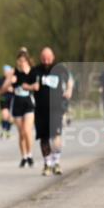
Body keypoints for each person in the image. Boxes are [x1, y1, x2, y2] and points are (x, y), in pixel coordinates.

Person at [33, 47, 72, 176]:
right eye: (44, 58)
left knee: (56, 136)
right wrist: (31, 86)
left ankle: (56, 162)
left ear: (53, 57)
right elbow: (25, 84)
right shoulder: (36, 70)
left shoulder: (60, 68)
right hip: (40, 109)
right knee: (44, 138)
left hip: (56, 108)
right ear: (41, 58)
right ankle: (47, 164)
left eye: (48, 58)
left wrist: (69, 90)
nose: (46, 61)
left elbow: (70, 80)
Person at [7, 49, 37, 167]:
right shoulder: (14, 72)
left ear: (27, 61)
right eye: (19, 61)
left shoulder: (32, 72)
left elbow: (36, 86)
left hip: (28, 102)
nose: (21, 63)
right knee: (21, 133)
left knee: (27, 130)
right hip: (17, 103)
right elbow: (9, 86)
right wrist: (11, 82)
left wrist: (28, 86)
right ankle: (24, 156)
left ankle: (30, 155)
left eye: (23, 60)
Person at [0, 65, 15, 140]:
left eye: (7, 71)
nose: (6, 72)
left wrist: (13, 89)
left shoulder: (14, 79)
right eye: (4, 71)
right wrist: (6, 88)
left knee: (10, 117)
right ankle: (3, 129)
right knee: (5, 115)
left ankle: (8, 130)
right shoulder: (0, 80)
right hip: (3, 99)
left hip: (12, 99)